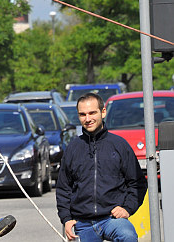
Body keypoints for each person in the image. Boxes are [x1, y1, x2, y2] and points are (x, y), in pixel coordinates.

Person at [56, 93, 147, 241]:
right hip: (82, 223)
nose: (88, 119)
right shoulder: (73, 148)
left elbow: (137, 183)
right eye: (82, 114)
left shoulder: (119, 145)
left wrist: (127, 209)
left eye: (92, 113)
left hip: (112, 220)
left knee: (128, 236)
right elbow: (63, 188)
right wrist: (66, 219)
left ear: (103, 112)